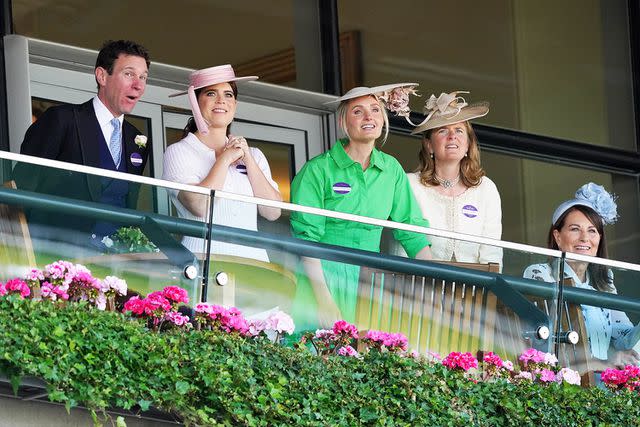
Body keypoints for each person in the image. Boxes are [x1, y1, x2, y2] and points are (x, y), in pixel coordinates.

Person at [290, 84, 433, 327]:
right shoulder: (317, 170)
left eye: (375, 110)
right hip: (323, 278)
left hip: (371, 283)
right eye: (358, 111)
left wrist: (435, 288)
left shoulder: (392, 170)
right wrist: (324, 300)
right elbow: (307, 241)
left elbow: (412, 232)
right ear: (343, 122)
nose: (369, 117)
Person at [14, 39, 151, 247]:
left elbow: (127, 206)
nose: (138, 85)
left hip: (115, 264)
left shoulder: (137, 140)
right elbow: (20, 190)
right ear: (102, 76)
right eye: (129, 74)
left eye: (143, 77)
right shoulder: (62, 120)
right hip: (57, 254)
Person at [162, 64, 281, 262]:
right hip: (201, 262)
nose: (221, 101)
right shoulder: (180, 151)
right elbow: (200, 206)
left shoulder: (254, 154)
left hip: (255, 264)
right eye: (211, 93)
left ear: (235, 104)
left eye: (228, 94)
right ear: (196, 102)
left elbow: (272, 212)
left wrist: (248, 160)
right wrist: (224, 159)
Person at [523, 182, 639, 368]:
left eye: (592, 231)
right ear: (557, 237)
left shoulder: (604, 282)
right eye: (575, 229)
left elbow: (623, 339)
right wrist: (607, 362)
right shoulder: (540, 274)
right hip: (559, 383)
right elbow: (548, 342)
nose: (585, 238)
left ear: (600, 240)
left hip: (600, 385)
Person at [403, 91, 502, 264]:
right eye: (443, 130)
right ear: (429, 145)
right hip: (418, 286)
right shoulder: (410, 184)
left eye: (459, 130)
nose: (452, 136)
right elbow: (401, 249)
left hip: (472, 288)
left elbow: (492, 256)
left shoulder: (486, 188)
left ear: (468, 145)